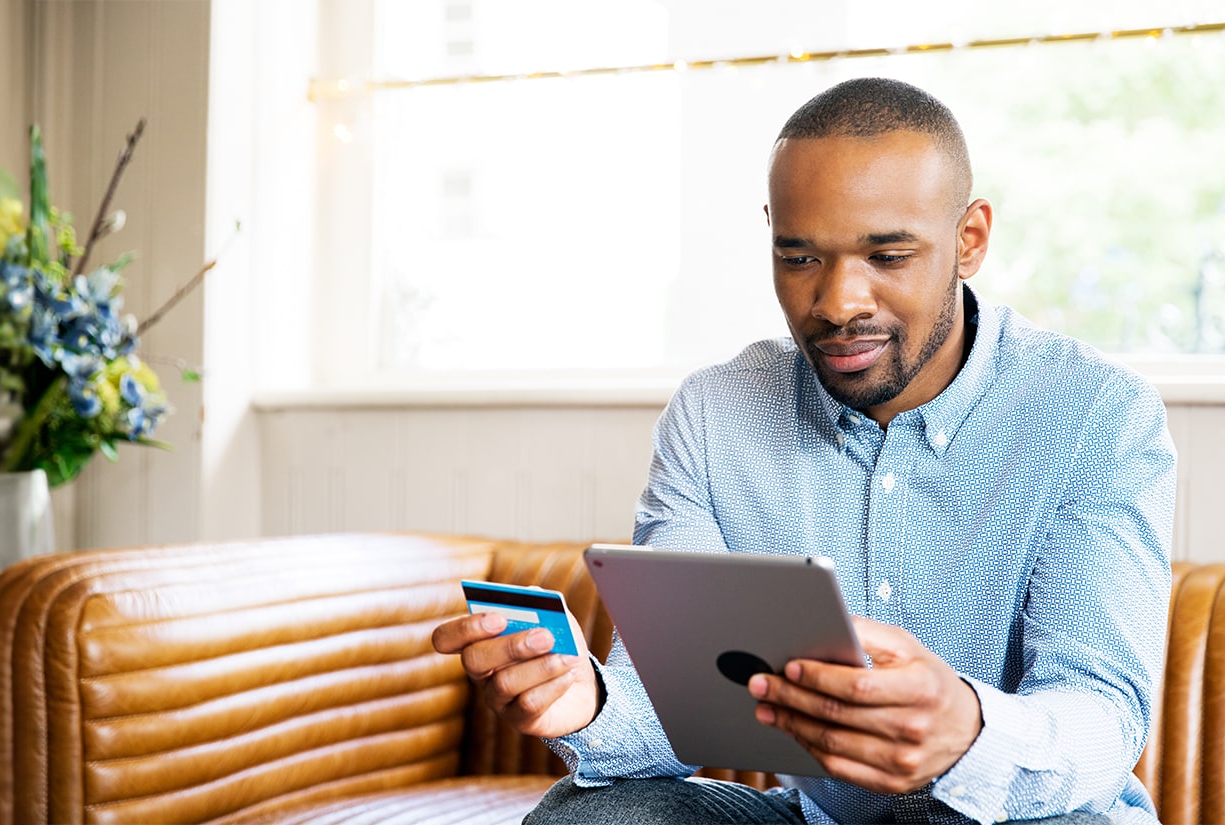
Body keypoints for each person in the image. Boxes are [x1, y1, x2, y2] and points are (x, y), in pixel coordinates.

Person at [431, 77, 1175, 824]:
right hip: (820, 818)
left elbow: (1103, 715)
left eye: (887, 255)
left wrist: (968, 730)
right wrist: (587, 699)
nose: (837, 303)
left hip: (1022, 815)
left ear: (969, 240)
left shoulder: (1095, 415)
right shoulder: (715, 413)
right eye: (800, 257)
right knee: (590, 817)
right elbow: (670, 709)